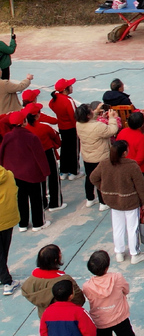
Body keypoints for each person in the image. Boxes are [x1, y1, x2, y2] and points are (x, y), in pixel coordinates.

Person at [91, 141, 144, 265]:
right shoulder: (131, 165)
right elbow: (140, 186)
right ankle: (135, 253)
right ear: (125, 152)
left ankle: (119, 252)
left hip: (113, 201)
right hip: (130, 201)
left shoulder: (104, 164)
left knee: (118, 227)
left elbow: (93, 178)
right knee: (132, 227)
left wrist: (104, 190)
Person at [0, 110, 49, 231]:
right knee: (36, 198)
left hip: (14, 174)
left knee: (20, 199)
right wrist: (45, 172)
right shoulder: (31, 137)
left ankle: (23, 224)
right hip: (31, 173)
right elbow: (40, 156)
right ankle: (38, 223)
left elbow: (1, 154)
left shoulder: (7, 136)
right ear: (24, 122)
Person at [21, 244, 85, 316]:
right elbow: (79, 300)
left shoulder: (31, 280)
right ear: (56, 260)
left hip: (45, 317)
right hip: (66, 316)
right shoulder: (64, 279)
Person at [77, 103, 119, 211]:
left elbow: (91, 120)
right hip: (100, 157)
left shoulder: (79, 123)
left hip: (87, 156)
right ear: (87, 115)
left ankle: (90, 199)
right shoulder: (98, 126)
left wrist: (96, 112)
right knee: (102, 180)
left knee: (89, 177)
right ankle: (103, 202)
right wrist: (112, 118)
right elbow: (112, 130)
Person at [83, 250, 135, 336]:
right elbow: (126, 290)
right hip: (120, 318)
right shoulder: (117, 278)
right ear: (107, 267)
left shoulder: (87, 286)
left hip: (101, 321)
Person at [25, 104, 64, 213]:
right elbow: (56, 139)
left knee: (40, 179)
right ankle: (55, 203)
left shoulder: (26, 129)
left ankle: (43, 202)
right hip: (47, 152)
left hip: (33, 156)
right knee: (53, 178)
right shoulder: (44, 128)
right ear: (37, 115)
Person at [48, 78, 79, 180]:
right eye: (70, 85)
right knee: (74, 149)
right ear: (66, 89)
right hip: (71, 128)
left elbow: (51, 105)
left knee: (65, 149)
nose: (72, 87)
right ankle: (73, 172)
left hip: (62, 127)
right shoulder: (68, 101)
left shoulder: (55, 99)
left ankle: (63, 171)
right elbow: (74, 117)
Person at [0, 163, 18, 295]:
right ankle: (3, 275)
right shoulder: (9, 175)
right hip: (7, 218)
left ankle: (6, 281)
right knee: (4, 248)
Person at [116, 113, 144, 182]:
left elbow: (117, 148)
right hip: (139, 169)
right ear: (142, 123)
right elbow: (140, 157)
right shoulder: (141, 137)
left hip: (123, 166)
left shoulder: (122, 132)